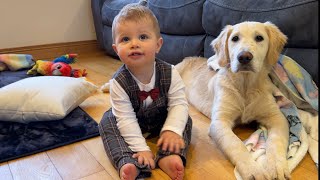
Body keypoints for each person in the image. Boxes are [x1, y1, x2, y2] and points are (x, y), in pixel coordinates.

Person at [98, 2, 192, 180]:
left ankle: (169, 155)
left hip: (160, 119)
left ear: (158, 44)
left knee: (184, 119)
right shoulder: (118, 82)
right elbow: (125, 119)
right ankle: (127, 160)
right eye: (125, 39)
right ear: (116, 49)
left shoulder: (171, 73)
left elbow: (178, 104)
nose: (134, 44)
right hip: (131, 123)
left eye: (142, 37)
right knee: (107, 122)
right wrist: (141, 149)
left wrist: (172, 130)